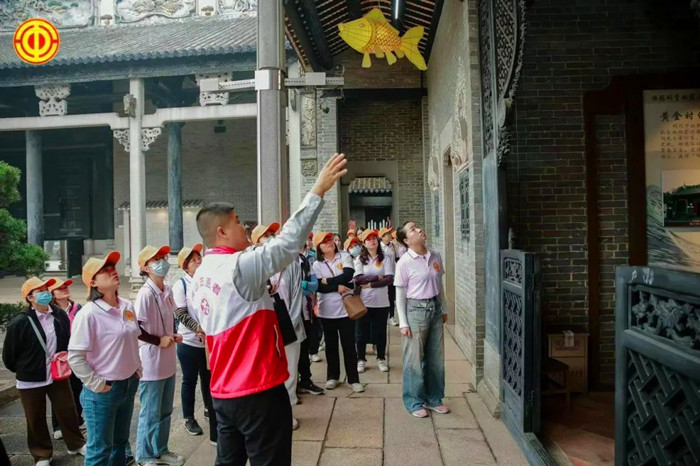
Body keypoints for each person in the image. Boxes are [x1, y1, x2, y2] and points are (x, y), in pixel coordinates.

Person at [191, 153, 347, 466]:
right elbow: (288, 244)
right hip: (258, 389)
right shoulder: (239, 266)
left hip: (222, 392)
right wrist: (317, 190)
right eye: (237, 222)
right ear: (221, 231)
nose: (244, 227)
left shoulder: (201, 275)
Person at [3, 277, 86, 466]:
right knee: (35, 416)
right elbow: (9, 355)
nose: (45, 293)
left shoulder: (58, 314)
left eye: (46, 289)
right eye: (39, 291)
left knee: (67, 409)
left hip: (57, 373)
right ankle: (42, 454)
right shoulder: (20, 322)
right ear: (30, 298)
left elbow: (66, 339)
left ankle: (75, 443)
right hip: (30, 378)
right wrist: (27, 369)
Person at [252, 222, 304, 430]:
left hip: (289, 325)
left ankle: (288, 413)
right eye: (266, 235)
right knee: (267, 374)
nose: (271, 238)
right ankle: (268, 414)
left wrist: (290, 323)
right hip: (264, 330)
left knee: (290, 372)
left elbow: (297, 294)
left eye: (273, 234)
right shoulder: (253, 266)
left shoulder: (290, 262)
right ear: (256, 242)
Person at [134, 245, 184, 466]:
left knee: (165, 410)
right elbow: (137, 329)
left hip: (167, 360)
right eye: (156, 259)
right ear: (145, 267)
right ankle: (144, 455)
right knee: (150, 412)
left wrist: (172, 335)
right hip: (152, 362)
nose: (162, 261)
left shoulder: (168, 289)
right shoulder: (145, 294)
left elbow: (171, 317)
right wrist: (159, 340)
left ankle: (161, 450)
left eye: (163, 257)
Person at [394, 222, 450, 418]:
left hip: (435, 309)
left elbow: (439, 285)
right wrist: (403, 322)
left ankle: (434, 398)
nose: (418, 229)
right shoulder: (404, 263)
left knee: (436, 357)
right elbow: (399, 294)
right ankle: (414, 401)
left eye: (417, 226)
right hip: (415, 311)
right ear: (407, 241)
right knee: (414, 359)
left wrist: (444, 308)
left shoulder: (435, 256)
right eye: (412, 229)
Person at [173, 243, 218, 445]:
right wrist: (199, 328)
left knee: (208, 378)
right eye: (193, 260)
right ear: (185, 266)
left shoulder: (206, 281)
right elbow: (180, 313)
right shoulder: (181, 285)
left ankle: (210, 410)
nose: (198, 261)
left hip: (207, 341)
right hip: (189, 342)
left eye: (199, 258)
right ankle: (189, 418)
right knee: (189, 381)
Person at [311, 232, 364, 393]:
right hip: (326, 311)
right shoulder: (316, 265)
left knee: (349, 345)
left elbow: (348, 275)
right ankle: (332, 376)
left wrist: (329, 282)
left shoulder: (344, 256)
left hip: (346, 310)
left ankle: (353, 379)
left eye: (330, 240)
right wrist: (336, 286)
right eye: (324, 242)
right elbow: (319, 286)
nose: (329, 243)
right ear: (319, 248)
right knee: (331, 346)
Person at [48, 278, 85, 439]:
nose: (65, 289)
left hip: (77, 354)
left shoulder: (78, 308)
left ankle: (78, 419)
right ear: (52, 294)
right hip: (59, 358)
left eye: (65, 287)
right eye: (60, 288)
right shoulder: (50, 312)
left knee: (77, 388)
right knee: (60, 391)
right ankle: (58, 425)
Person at [354, 230, 394, 374]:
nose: (372, 241)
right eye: (368, 239)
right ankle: (360, 359)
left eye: (374, 239)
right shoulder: (360, 259)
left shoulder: (385, 258)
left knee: (380, 332)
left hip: (381, 302)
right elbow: (358, 279)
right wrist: (378, 277)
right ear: (364, 243)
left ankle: (381, 358)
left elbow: (389, 279)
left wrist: (370, 283)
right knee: (360, 333)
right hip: (364, 302)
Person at [296, 242, 324, 395]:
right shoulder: (281, 264)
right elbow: (287, 286)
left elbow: (314, 286)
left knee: (305, 346)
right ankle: (293, 383)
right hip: (289, 312)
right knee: (294, 349)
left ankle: (306, 379)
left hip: (305, 310)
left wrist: (303, 284)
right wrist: (303, 286)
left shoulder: (305, 262)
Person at [378, 227, 399, 327]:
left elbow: (397, 259)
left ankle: (391, 316)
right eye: (387, 234)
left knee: (391, 297)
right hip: (382, 277)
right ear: (382, 237)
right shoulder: (378, 247)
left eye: (390, 233)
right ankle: (382, 316)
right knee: (382, 296)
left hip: (392, 276)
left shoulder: (393, 246)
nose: (390, 235)